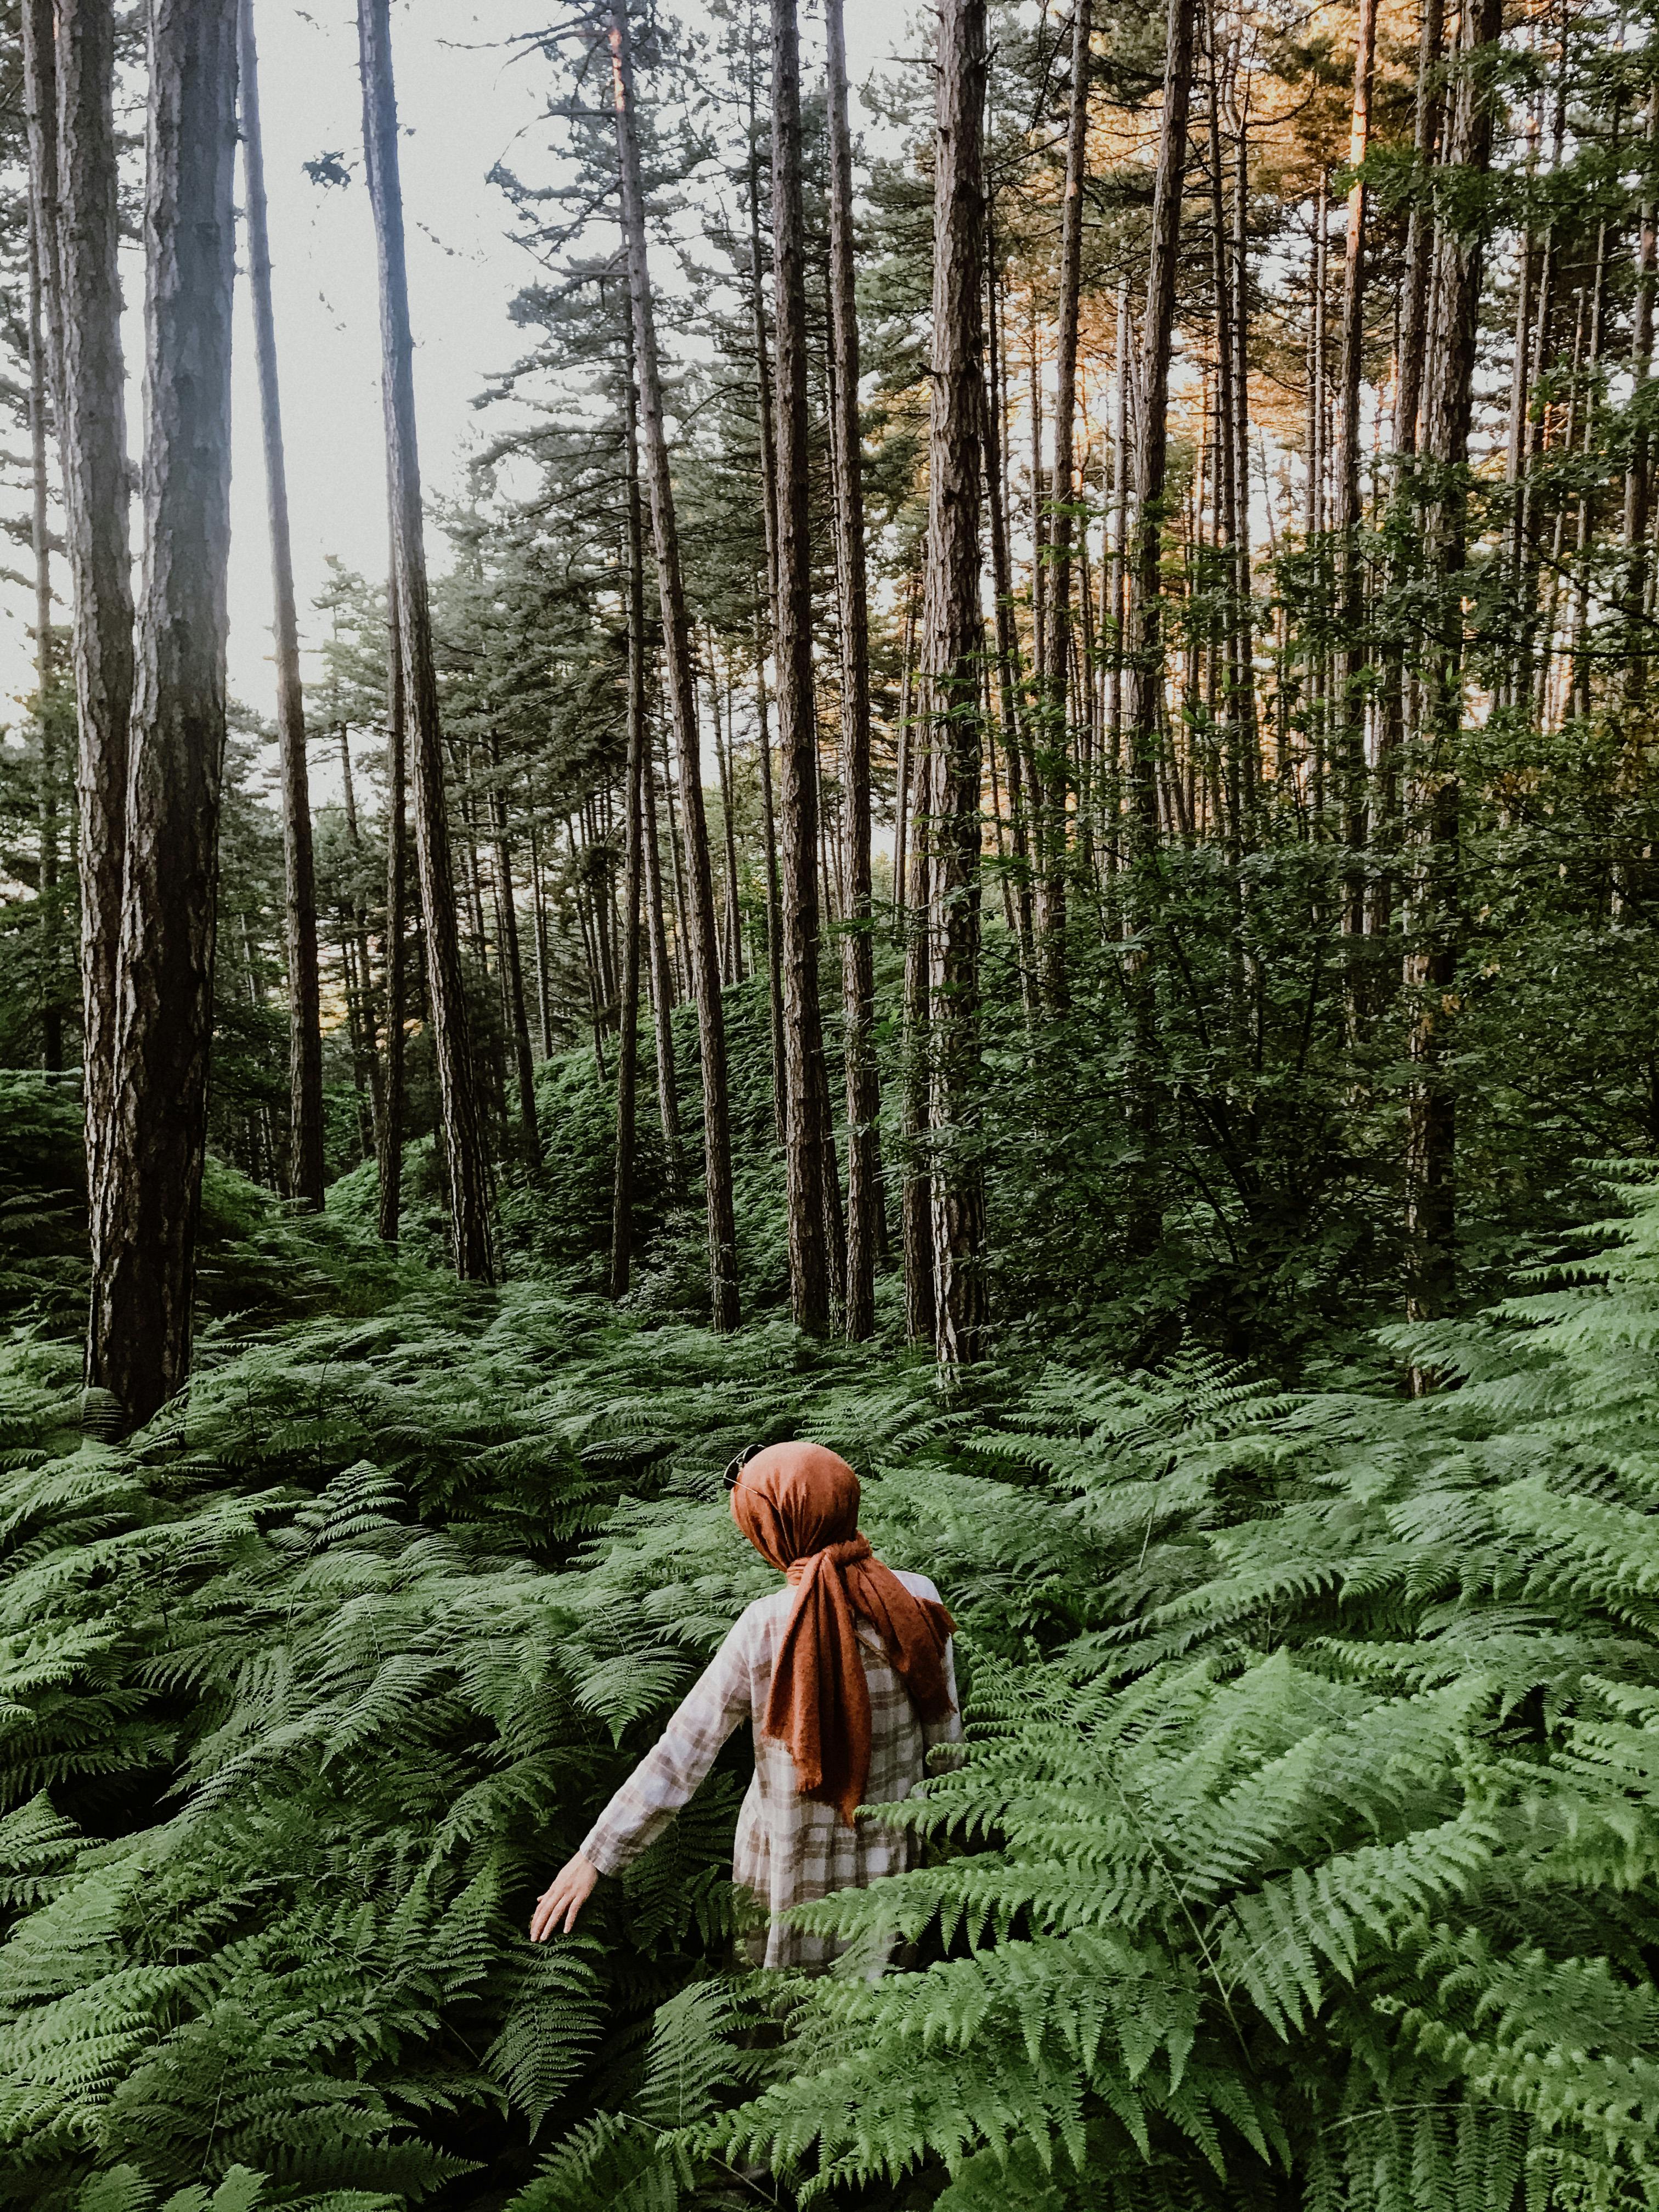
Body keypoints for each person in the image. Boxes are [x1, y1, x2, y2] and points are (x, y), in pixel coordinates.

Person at [529, 1438, 961, 1971]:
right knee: (881, 2008)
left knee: (784, 2017)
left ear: (776, 1530)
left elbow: (683, 1754)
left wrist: (595, 1857)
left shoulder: (766, 1625)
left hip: (785, 1866)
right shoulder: (919, 1596)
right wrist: (952, 1837)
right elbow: (947, 1741)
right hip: (892, 1862)